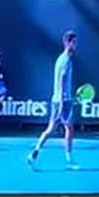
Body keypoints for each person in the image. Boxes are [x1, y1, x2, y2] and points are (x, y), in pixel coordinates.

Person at [29, 30, 77, 169]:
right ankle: (69, 160)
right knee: (69, 129)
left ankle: (34, 153)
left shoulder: (60, 58)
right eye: (74, 42)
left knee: (51, 129)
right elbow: (62, 80)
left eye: (76, 42)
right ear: (67, 43)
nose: (75, 45)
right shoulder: (66, 60)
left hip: (57, 100)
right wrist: (62, 102)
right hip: (62, 101)